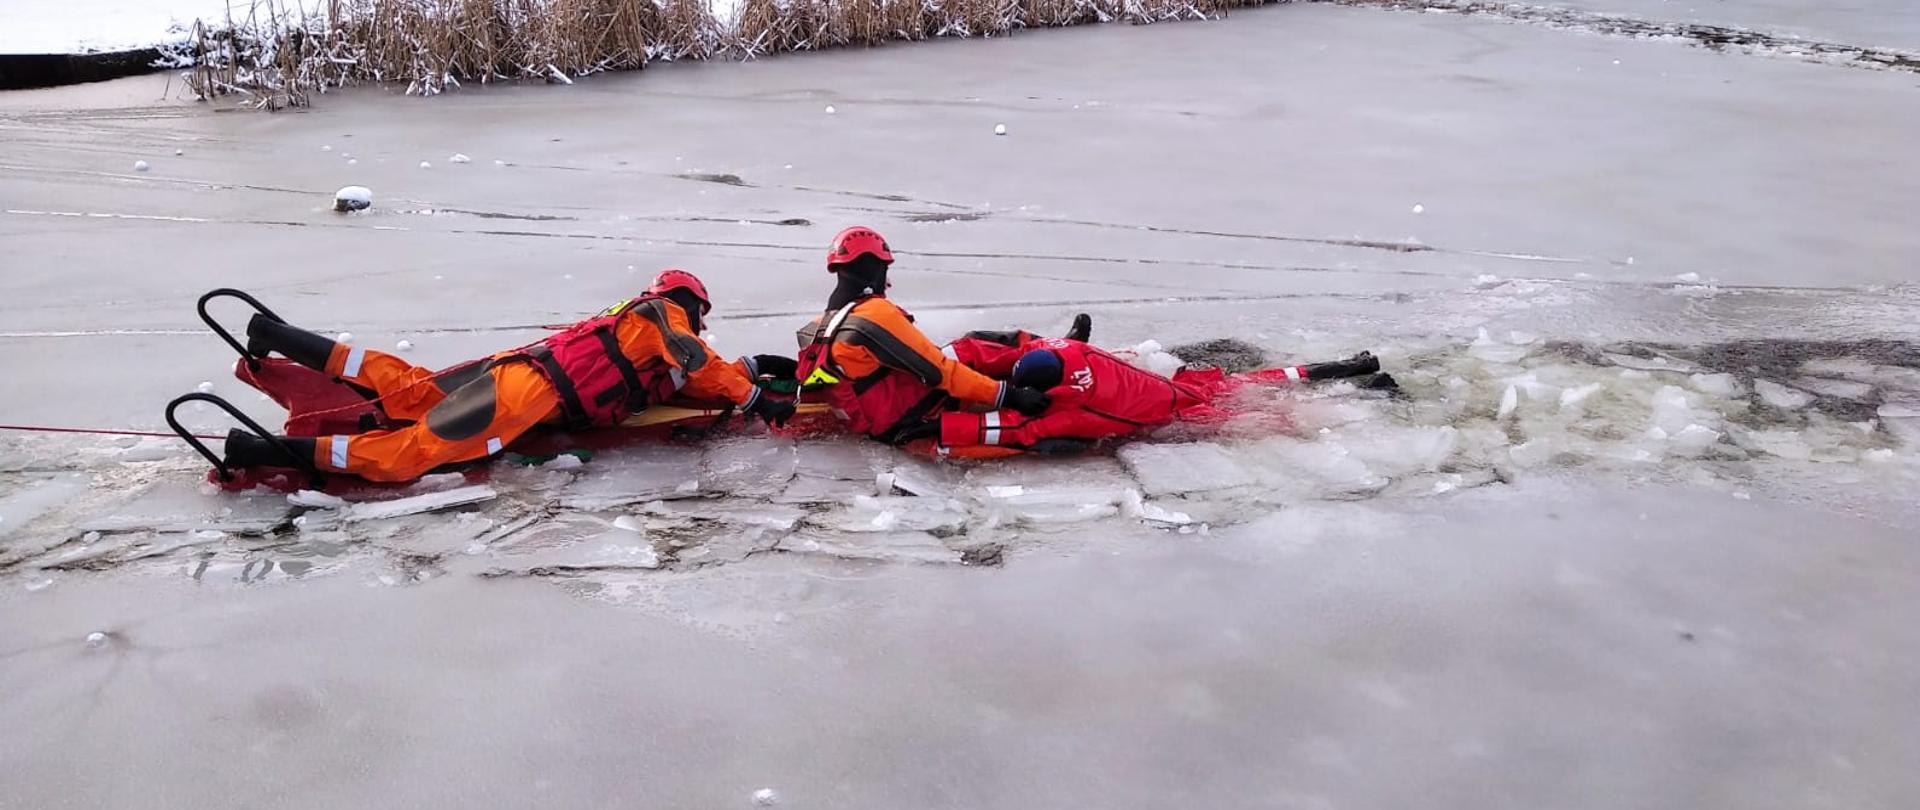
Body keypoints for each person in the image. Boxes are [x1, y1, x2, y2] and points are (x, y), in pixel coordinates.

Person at [221, 269, 796, 482]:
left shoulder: (627, 324)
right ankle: (258, 451)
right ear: (688, 302)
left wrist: (754, 368)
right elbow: (697, 362)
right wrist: (755, 399)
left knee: (410, 387)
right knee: (410, 455)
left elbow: (686, 378)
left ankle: (278, 336)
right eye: (700, 314)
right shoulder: (662, 316)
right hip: (527, 396)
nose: (698, 323)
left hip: (515, 373)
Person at [794, 226, 1067, 443]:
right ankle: (1055, 351)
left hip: (877, 414)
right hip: (910, 416)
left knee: (961, 350)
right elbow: (940, 374)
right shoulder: (875, 314)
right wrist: (1009, 396)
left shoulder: (819, 327)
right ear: (876, 266)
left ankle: (1038, 351)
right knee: (968, 351)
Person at [929, 337, 1390, 455]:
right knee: (1262, 380)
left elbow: (1024, 431)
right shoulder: (1066, 352)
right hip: (1175, 388)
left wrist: (937, 426)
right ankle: (1354, 366)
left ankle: (1371, 396)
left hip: (1179, 414)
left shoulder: (1074, 407)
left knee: (1271, 421)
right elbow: (1037, 346)